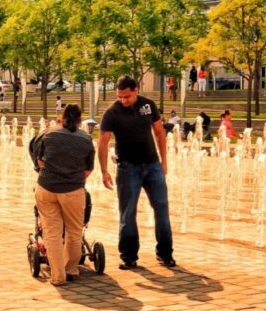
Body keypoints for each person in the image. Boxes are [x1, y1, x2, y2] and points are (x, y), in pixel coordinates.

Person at [98, 76, 174, 270]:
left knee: (162, 211)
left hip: (152, 166)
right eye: (120, 97)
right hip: (127, 168)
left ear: (136, 90)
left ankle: (165, 254)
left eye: (127, 96)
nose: (123, 100)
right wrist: (104, 171)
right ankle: (129, 256)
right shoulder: (112, 112)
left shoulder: (148, 105)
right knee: (127, 213)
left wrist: (164, 161)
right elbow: (103, 142)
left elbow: (159, 132)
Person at [35, 104, 96, 286]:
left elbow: (39, 161)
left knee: (52, 233)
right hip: (73, 191)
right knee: (74, 232)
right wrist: (72, 177)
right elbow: (88, 169)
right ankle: (71, 269)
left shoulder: (49, 134)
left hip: (46, 188)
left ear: (61, 117)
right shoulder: (86, 139)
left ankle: (58, 276)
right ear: (79, 120)